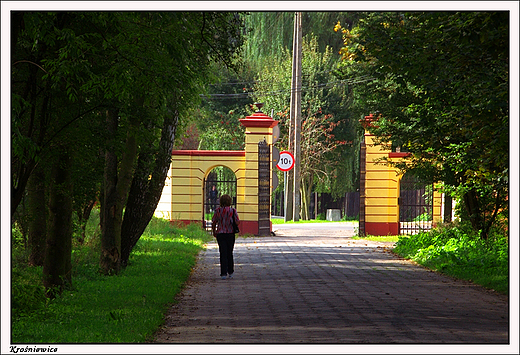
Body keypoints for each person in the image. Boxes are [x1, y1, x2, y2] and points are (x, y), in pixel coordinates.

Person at [211, 194, 240, 280]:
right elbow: (238, 222)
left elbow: (214, 222)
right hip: (230, 234)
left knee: (223, 253)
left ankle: (223, 273)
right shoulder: (233, 211)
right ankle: (230, 272)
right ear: (229, 201)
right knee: (229, 253)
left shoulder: (218, 211)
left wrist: (214, 231)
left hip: (220, 233)